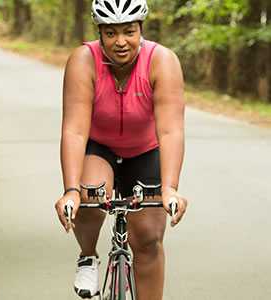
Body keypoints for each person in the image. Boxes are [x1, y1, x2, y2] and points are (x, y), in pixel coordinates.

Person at [55, 0, 188, 299]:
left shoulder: (162, 61)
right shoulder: (83, 60)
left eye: (129, 31)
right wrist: (71, 191)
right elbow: (75, 130)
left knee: (149, 239)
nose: (121, 42)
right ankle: (88, 255)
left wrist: (170, 188)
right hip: (99, 146)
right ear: (100, 33)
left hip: (145, 150)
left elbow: (170, 130)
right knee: (89, 193)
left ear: (141, 28)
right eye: (111, 33)